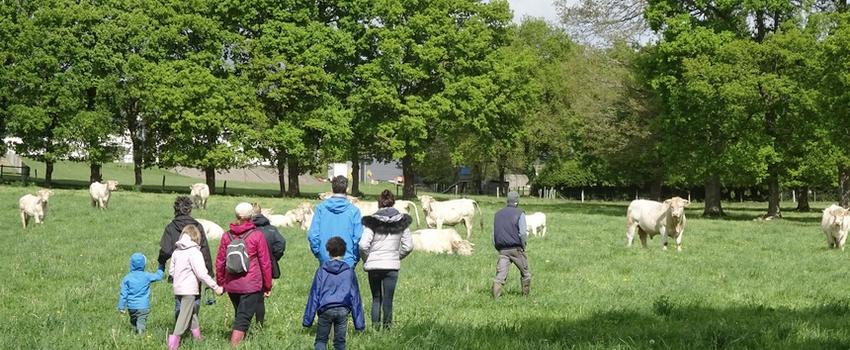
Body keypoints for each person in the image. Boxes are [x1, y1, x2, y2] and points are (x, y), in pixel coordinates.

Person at [215, 202, 273, 347]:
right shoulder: (257, 235)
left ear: (236, 216)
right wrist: (267, 285)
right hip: (251, 284)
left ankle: (242, 342)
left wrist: (221, 282)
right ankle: (234, 346)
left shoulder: (226, 236)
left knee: (240, 314)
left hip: (232, 284)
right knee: (243, 317)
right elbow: (265, 263)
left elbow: (220, 261)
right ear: (251, 216)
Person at [358, 190, 413, 329]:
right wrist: (396, 256)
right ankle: (387, 329)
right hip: (392, 266)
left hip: (374, 266)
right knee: (389, 300)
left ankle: (375, 329)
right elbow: (408, 246)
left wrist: (367, 259)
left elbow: (363, 244)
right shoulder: (402, 222)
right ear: (393, 202)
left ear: (379, 204)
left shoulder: (371, 222)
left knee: (376, 298)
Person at [303, 237, 366, 350]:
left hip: (325, 309)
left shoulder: (322, 270)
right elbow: (355, 296)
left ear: (328, 251)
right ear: (344, 251)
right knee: (340, 342)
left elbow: (314, 294)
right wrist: (359, 323)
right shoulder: (349, 272)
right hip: (343, 310)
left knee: (321, 340)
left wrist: (308, 320)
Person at [167, 225, 224, 350]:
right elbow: (202, 274)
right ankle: (173, 344)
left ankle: (197, 338)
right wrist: (215, 287)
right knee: (183, 317)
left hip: (178, 288)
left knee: (191, 313)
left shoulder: (176, 251)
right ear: (196, 237)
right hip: (189, 289)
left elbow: (171, 271)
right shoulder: (195, 252)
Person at [158, 196, 213, 318]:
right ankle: (192, 322)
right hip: (195, 269)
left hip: (179, 270)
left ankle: (180, 324)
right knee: (195, 296)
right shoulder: (197, 226)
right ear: (190, 210)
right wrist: (209, 273)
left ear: (175, 209)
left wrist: (161, 263)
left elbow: (165, 250)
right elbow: (205, 251)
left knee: (180, 298)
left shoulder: (171, 227)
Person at [308, 176, 363, 267]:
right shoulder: (354, 211)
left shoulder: (320, 209)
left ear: (331, 188)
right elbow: (358, 237)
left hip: (326, 256)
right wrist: (355, 257)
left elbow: (313, 235)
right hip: (347, 259)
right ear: (347, 189)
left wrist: (319, 253)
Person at [251, 204, 286, 327]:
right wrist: (272, 258)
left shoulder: (248, 230)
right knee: (260, 299)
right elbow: (281, 244)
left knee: (246, 297)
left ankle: (242, 325)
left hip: (249, 268)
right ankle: (259, 325)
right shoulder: (272, 229)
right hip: (266, 268)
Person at [491, 191, 531, 298]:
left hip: (502, 249)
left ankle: (495, 298)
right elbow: (522, 232)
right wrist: (523, 245)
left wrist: (498, 248)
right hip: (516, 249)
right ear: (517, 201)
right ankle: (525, 297)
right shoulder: (520, 213)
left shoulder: (497, 214)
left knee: (500, 276)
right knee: (525, 273)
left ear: (507, 200)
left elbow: (493, 234)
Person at [117, 252, 164, 334]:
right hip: (143, 306)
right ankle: (141, 336)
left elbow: (123, 294)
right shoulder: (146, 276)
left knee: (133, 322)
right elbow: (159, 276)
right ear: (143, 264)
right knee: (141, 322)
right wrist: (161, 265)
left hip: (131, 307)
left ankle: (135, 335)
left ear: (131, 264)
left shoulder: (127, 278)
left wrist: (121, 307)